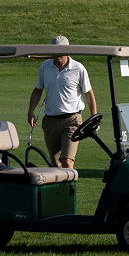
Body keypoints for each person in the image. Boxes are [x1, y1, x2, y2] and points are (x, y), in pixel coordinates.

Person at [27, 35, 97, 169]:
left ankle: (70, 189)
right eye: (54, 50)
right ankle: (61, 188)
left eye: (60, 50)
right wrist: (31, 111)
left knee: (67, 161)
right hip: (50, 121)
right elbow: (37, 90)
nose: (57, 54)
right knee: (56, 164)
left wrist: (93, 117)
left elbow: (89, 94)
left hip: (72, 120)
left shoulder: (78, 68)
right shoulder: (45, 66)